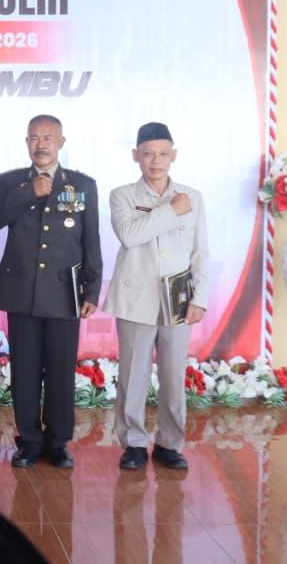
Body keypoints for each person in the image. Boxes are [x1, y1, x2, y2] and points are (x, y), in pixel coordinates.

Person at [0, 114, 101, 469]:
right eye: (34, 138)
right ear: (26, 143)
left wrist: (91, 291)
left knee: (60, 370)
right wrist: (27, 193)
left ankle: (58, 442)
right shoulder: (10, 182)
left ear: (61, 142)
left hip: (64, 292)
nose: (41, 144)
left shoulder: (82, 184)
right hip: (21, 291)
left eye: (48, 138)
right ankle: (29, 441)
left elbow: (91, 240)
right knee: (25, 370)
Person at [104, 122, 209, 471]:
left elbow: (201, 251)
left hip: (179, 300)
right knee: (132, 374)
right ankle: (133, 442)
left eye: (163, 154)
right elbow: (130, 235)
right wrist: (170, 211)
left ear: (173, 155)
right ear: (136, 155)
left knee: (173, 375)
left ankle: (169, 443)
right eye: (148, 154)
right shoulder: (122, 195)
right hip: (136, 298)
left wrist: (200, 298)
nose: (156, 161)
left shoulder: (192, 197)